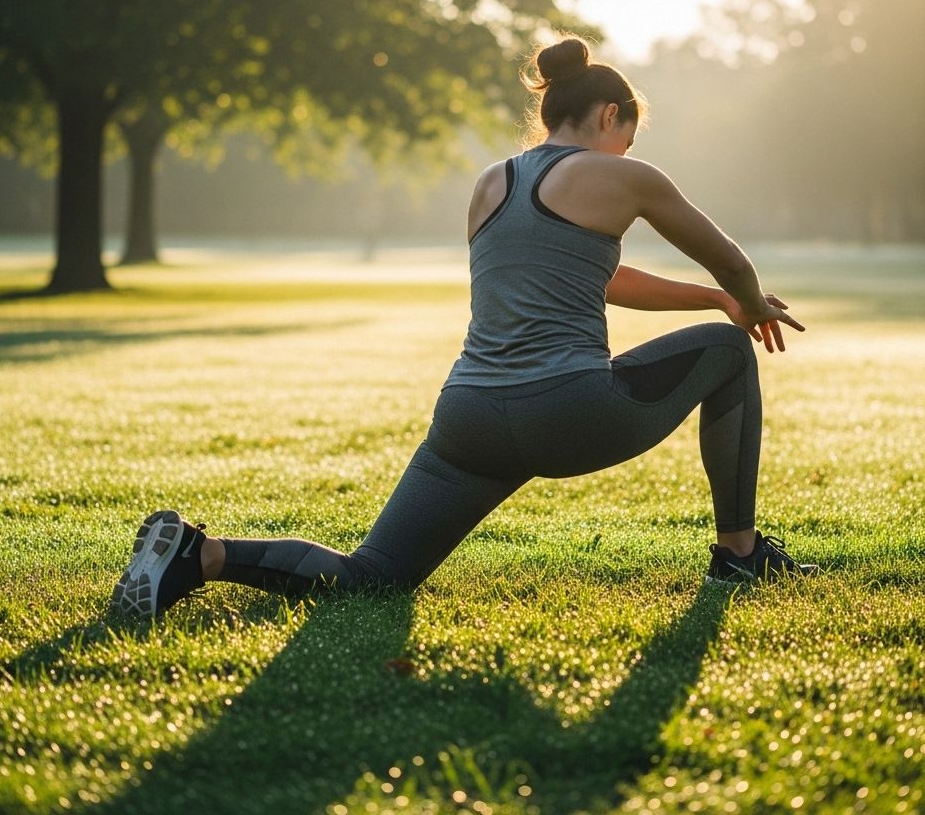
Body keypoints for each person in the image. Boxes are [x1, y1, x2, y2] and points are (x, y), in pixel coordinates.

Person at [111, 36, 818, 619]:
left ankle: (198, 554)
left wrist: (715, 299)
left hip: (469, 417)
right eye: (626, 140)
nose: (626, 156)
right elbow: (729, 257)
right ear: (610, 116)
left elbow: (598, 281)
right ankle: (740, 553)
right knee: (728, 354)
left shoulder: (491, 183)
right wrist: (745, 305)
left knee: (374, 576)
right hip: (569, 409)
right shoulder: (625, 178)